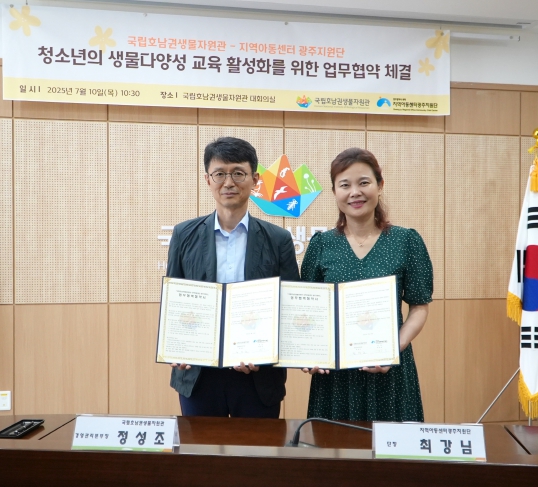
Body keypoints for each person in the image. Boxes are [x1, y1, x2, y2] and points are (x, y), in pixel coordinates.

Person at [166, 136, 300, 418]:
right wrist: (176, 345)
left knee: (257, 448)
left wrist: (265, 354)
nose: (228, 182)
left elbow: (290, 308)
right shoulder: (183, 234)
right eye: (219, 174)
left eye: (238, 173)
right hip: (199, 374)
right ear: (207, 179)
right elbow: (175, 301)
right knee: (200, 447)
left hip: (257, 376)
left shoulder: (278, 239)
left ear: (255, 180)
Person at [300, 148, 433, 422]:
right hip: (336, 378)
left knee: (393, 447)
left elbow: (419, 306)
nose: (355, 193)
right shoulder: (321, 245)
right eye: (344, 185)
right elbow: (308, 312)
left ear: (379, 185)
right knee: (335, 445)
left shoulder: (406, 241)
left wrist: (392, 349)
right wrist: (309, 352)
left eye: (364, 183)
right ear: (334, 192)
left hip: (390, 370)